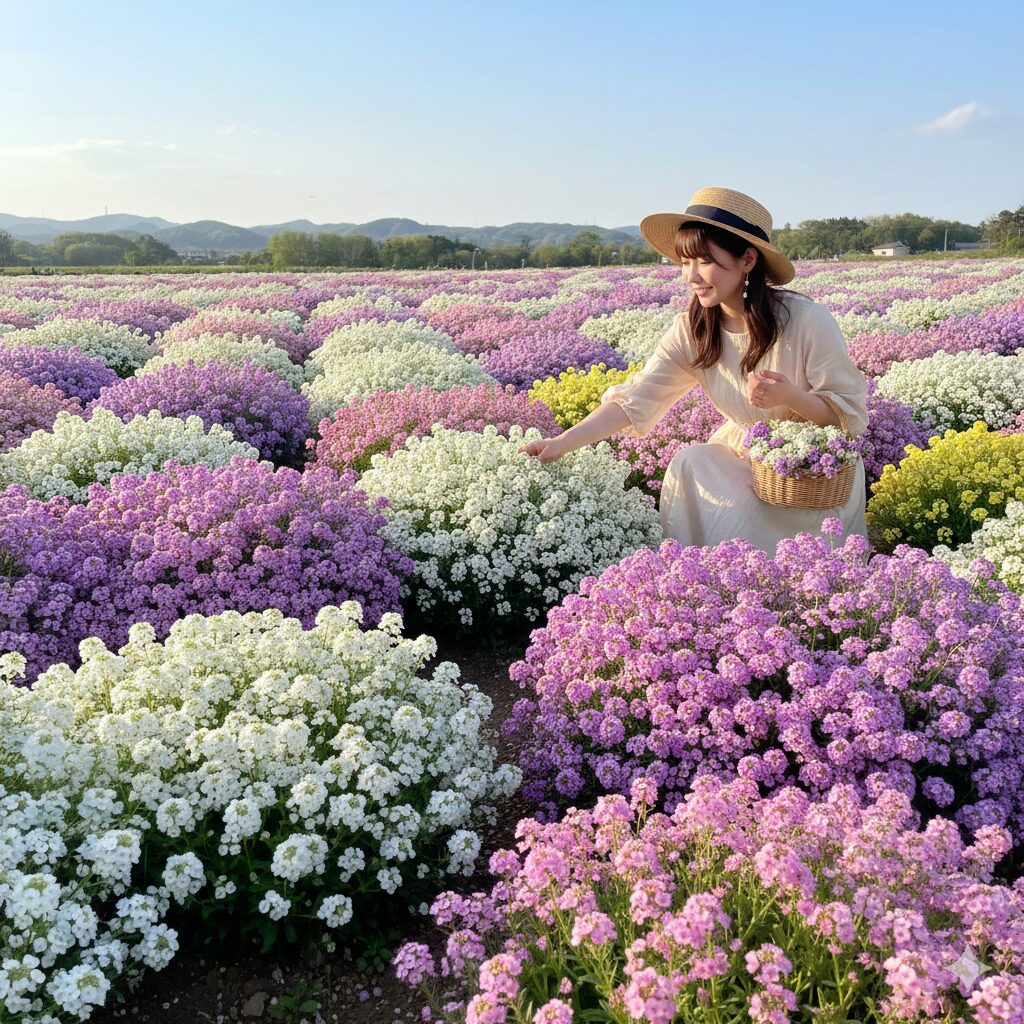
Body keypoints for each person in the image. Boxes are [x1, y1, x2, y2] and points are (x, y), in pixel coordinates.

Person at [520, 186, 868, 554]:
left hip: (813, 476)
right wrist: (560, 444)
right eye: (685, 262)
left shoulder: (806, 320)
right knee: (690, 464)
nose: (691, 276)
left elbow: (848, 417)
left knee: (755, 536)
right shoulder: (693, 329)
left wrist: (792, 397)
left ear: (748, 260)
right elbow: (636, 399)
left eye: (704, 261)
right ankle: (699, 589)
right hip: (746, 461)